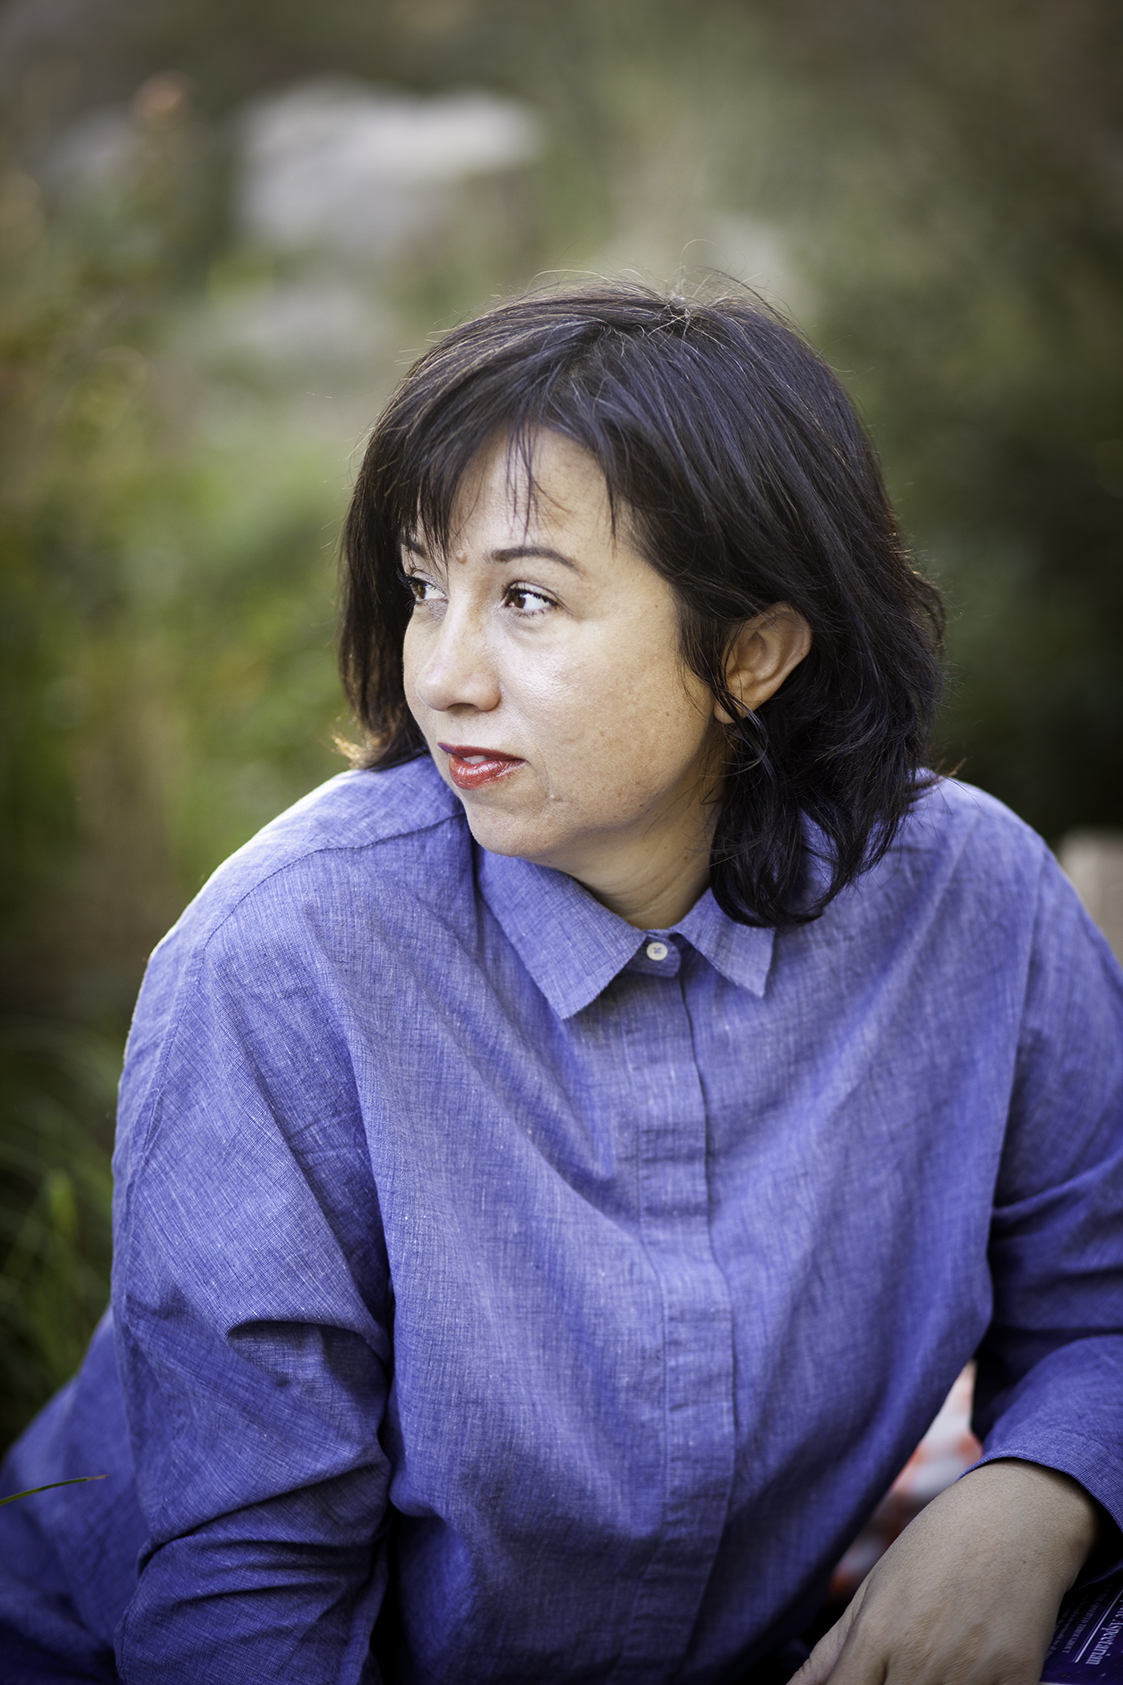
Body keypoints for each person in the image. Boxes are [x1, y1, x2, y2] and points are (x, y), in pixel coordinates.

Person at [1, 282, 1121, 1685]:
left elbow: (1105, 1305)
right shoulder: (282, 964)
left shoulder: (972, 902)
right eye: (426, 588)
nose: (442, 674)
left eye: (527, 598)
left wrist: (1036, 1496)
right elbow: (250, 1592)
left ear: (753, 652)